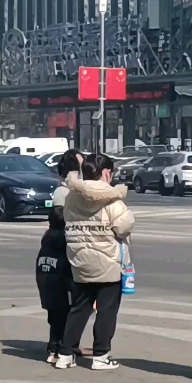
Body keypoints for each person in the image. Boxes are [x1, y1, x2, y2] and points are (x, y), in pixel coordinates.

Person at [55, 153, 134, 371]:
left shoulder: (72, 196)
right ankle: (101, 355)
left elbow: (67, 220)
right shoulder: (112, 199)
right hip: (107, 261)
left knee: (79, 308)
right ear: (107, 173)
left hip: (79, 259)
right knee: (106, 310)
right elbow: (123, 227)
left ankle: (65, 353)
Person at [35, 206, 77, 363]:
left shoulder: (47, 238)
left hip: (46, 281)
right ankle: (59, 348)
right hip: (62, 285)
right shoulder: (65, 239)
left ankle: (52, 349)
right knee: (64, 319)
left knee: (54, 318)